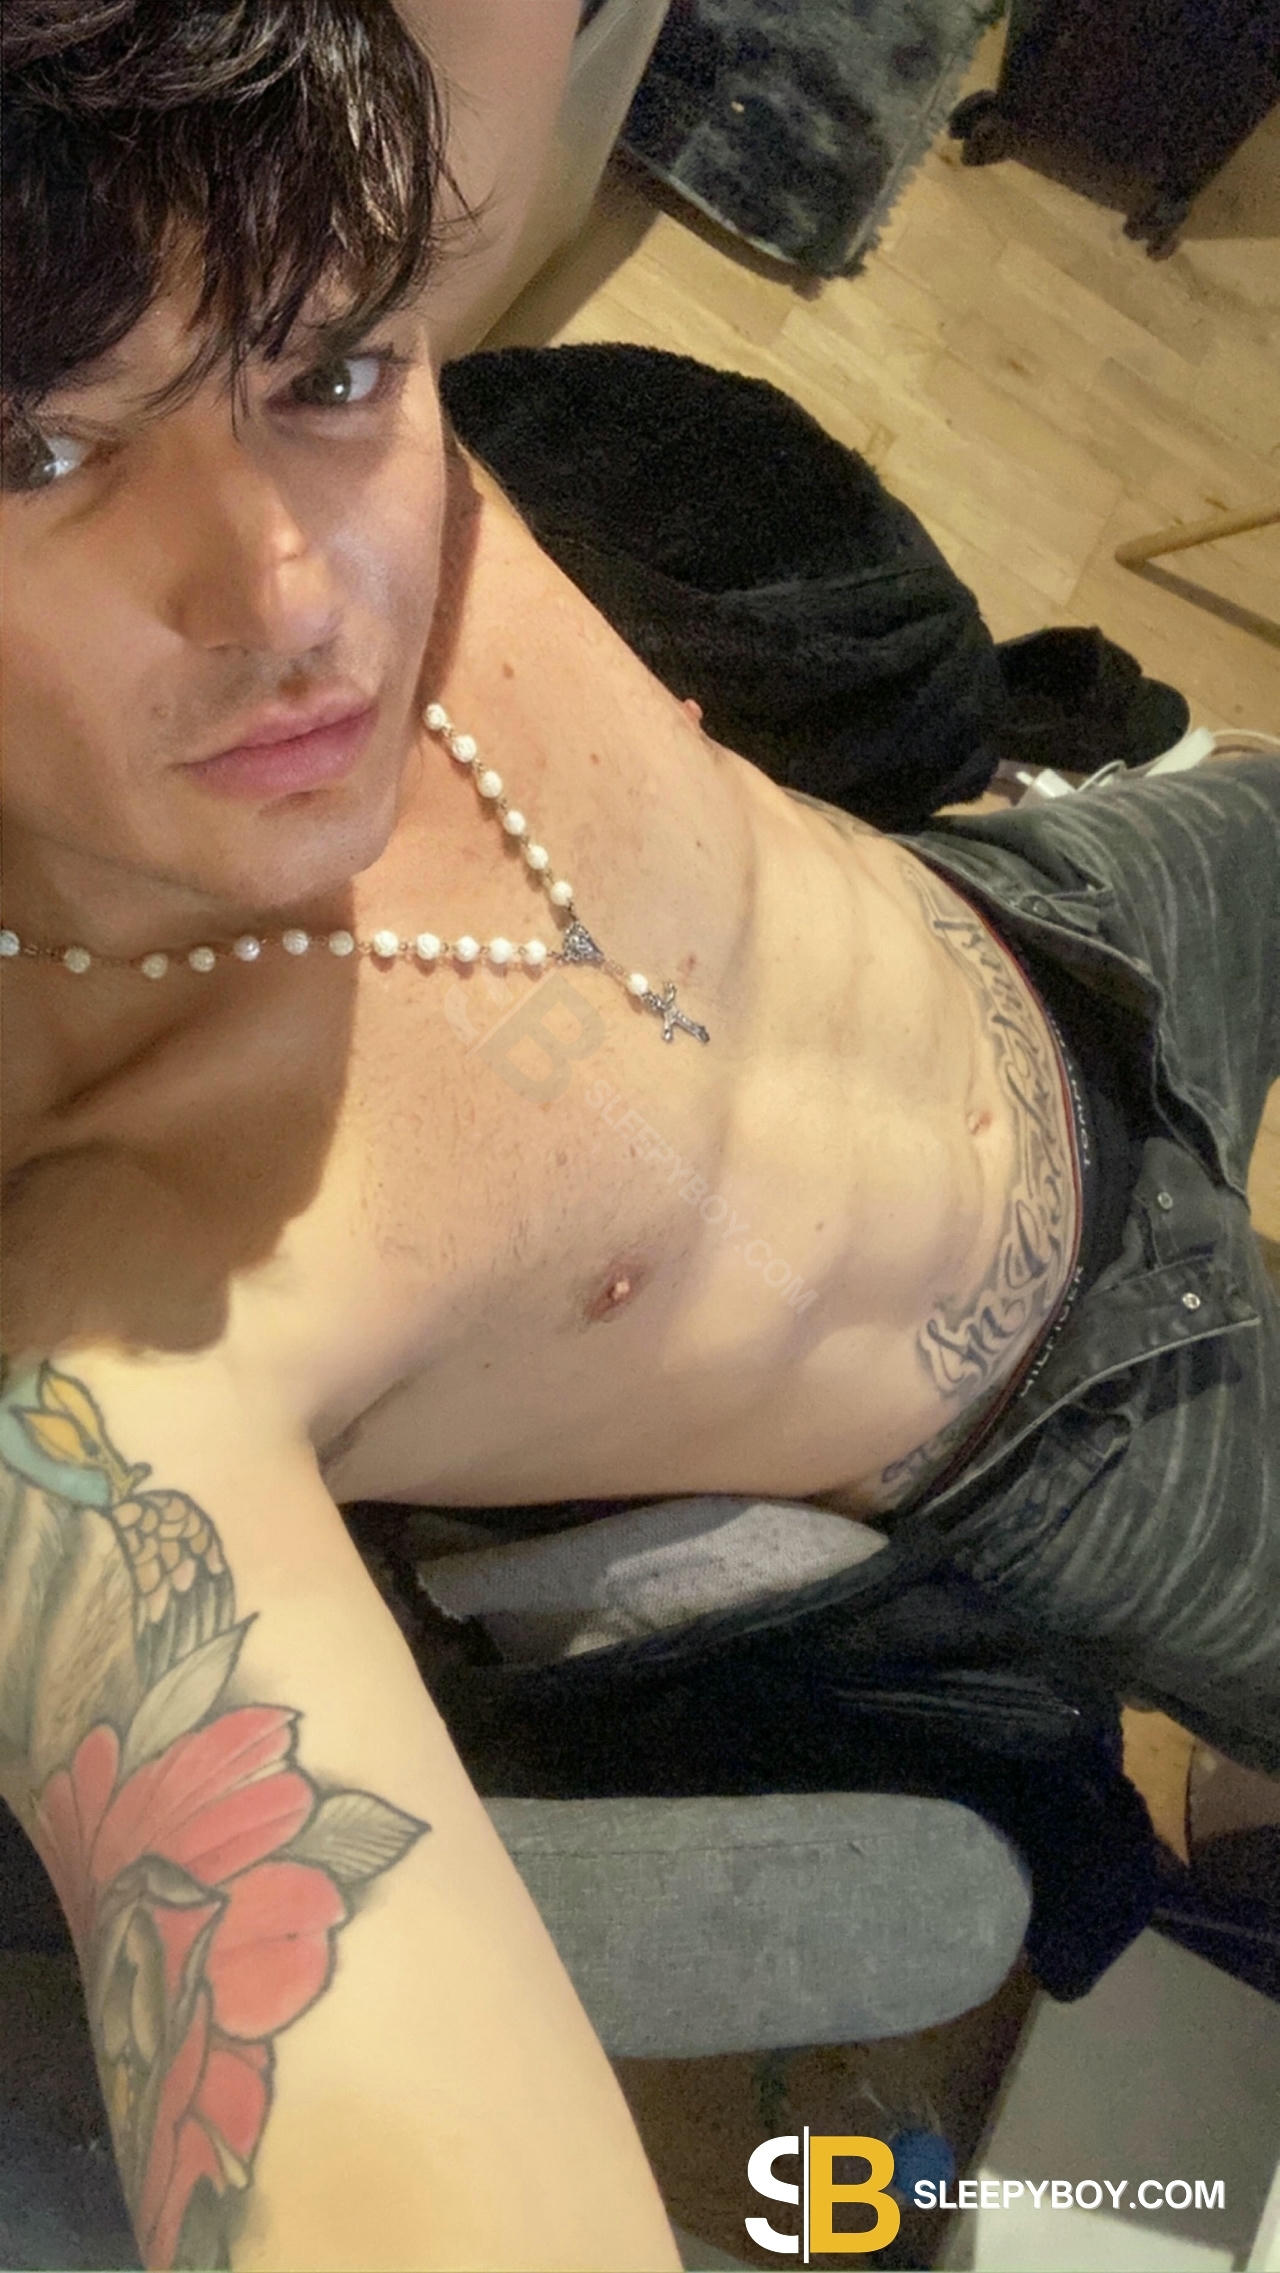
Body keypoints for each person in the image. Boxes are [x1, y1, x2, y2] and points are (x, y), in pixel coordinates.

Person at [0, 1, 1276, 2266]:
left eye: (330, 368)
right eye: (43, 452)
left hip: (1061, 902)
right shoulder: (116, 1320)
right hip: (1092, 1416)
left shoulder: (336, 305)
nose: (289, 593)